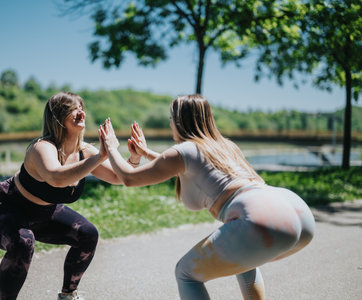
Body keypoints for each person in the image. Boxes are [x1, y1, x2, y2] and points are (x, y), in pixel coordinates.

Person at [99, 94, 315, 300]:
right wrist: (146, 153)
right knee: (246, 261)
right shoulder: (225, 146)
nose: (169, 124)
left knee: (186, 273)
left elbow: (129, 177)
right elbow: (190, 169)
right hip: (295, 212)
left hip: (263, 218)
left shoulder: (184, 151)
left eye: (170, 119)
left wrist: (110, 147)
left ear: (179, 121)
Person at [0, 92, 142, 300]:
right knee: (23, 242)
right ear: (57, 117)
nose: (80, 111)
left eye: (81, 107)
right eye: (72, 108)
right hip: (4, 207)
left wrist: (135, 156)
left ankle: (68, 295)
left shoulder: (86, 152)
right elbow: (56, 178)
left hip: (43, 213)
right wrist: (102, 155)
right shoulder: (42, 147)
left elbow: (120, 177)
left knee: (88, 234)